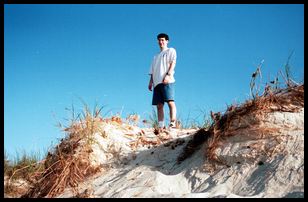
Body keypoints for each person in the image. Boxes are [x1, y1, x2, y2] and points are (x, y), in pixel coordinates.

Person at [148, 33, 177, 129]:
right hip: (157, 83)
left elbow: (173, 62)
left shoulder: (170, 50)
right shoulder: (155, 56)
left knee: (170, 101)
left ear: (167, 41)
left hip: (167, 80)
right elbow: (152, 71)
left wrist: (168, 75)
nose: (161, 42)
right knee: (159, 105)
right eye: (159, 40)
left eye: (163, 40)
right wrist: (151, 82)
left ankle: (173, 122)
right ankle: (161, 126)